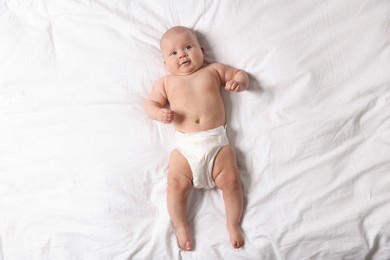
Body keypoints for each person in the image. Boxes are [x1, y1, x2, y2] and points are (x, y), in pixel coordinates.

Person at [144, 26, 249, 251]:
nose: (182, 54)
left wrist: (239, 83)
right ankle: (181, 225)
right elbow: (150, 104)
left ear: (201, 50)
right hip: (186, 147)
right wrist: (158, 113)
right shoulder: (166, 83)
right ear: (165, 63)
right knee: (174, 184)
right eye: (173, 53)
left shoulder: (213, 71)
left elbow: (239, 74)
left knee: (231, 182)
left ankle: (232, 223)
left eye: (188, 47)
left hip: (216, 144)